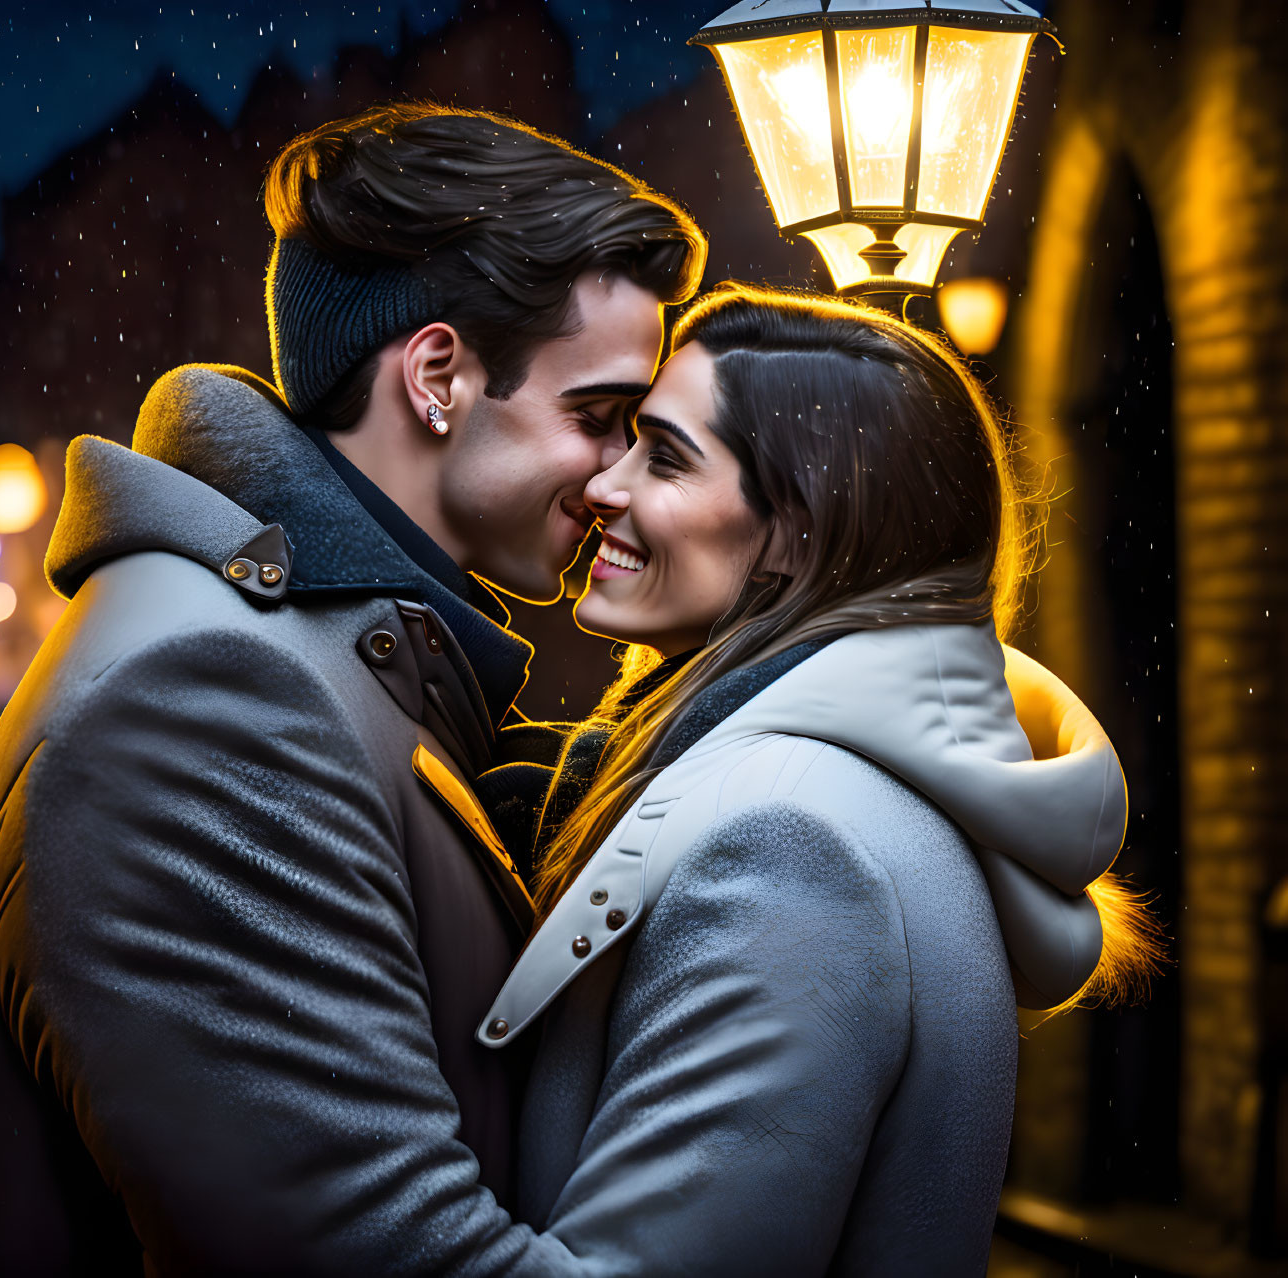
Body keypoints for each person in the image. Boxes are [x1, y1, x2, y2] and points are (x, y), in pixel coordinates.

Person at [0, 103, 707, 1275]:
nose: (620, 480)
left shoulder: (332, 662)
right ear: (437, 375)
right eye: (597, 419)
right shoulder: (209, 709)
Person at [477, 282, 1163, 1275]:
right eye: (624, 441)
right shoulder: (825, 797)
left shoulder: (790, 845)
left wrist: (360, 1205)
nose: (602, 487)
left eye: (663, 457)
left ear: (800, 530)